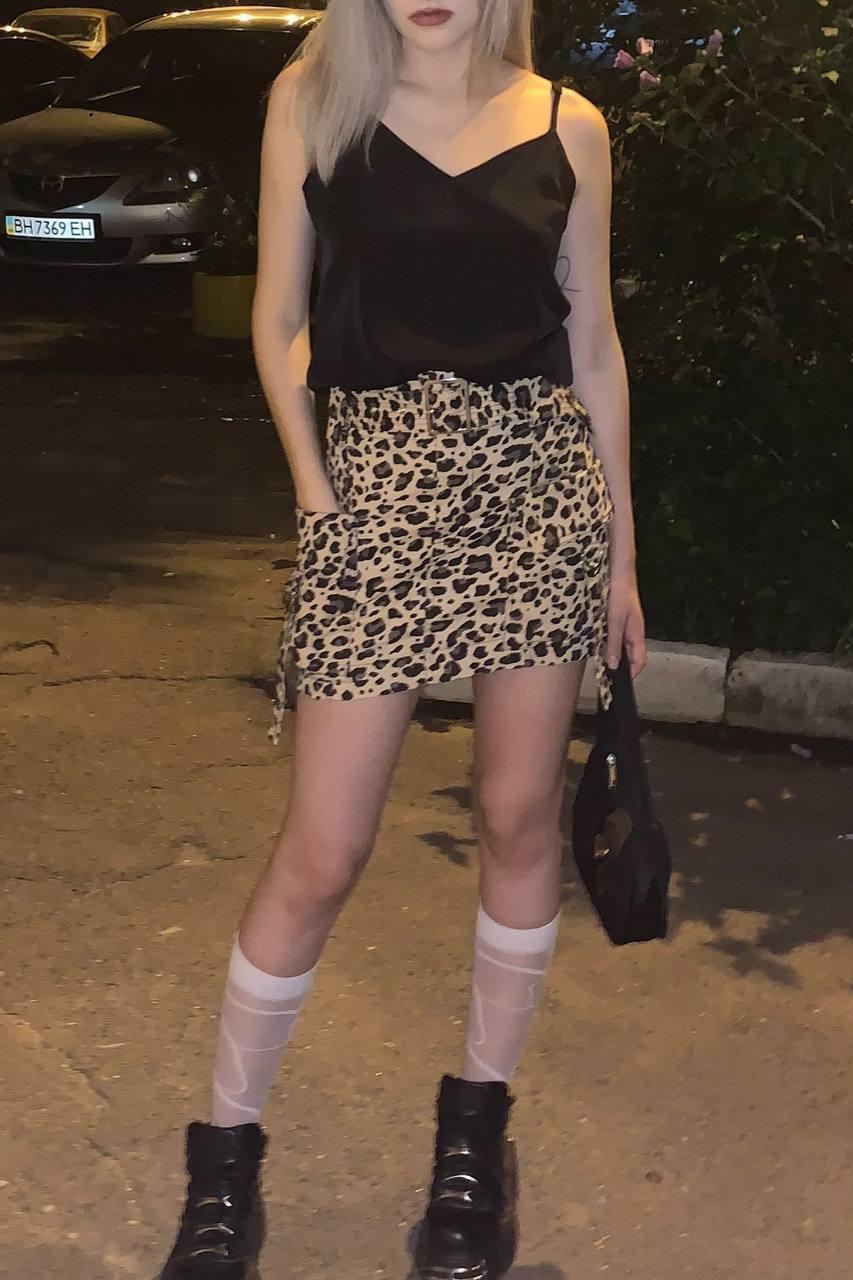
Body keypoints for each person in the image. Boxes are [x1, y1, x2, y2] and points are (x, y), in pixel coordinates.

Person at [156, 1, 644, 1277]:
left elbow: (593, 346)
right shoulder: (315, 102)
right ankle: (223, 1164)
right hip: (373, 495)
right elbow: (278, 318)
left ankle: (474, 1143)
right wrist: (318, 493)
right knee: (321, 850)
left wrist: (621, 554)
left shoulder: (566, 125)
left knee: (517, 816)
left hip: (537, 493)